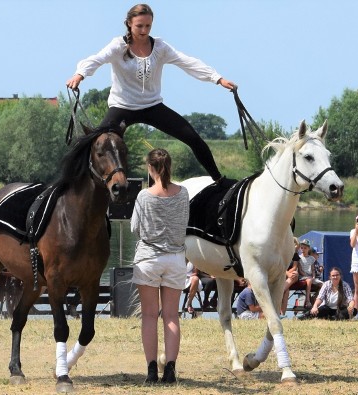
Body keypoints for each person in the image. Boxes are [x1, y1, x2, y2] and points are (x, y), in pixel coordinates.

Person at [66, 3, 237, 183]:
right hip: (122, 106)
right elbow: (96, 59)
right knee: (96, 144)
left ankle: (219, 181)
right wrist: (79, 75)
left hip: (153, 106)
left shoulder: (160, 47)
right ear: (129, 24)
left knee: (193, 137)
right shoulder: (118, 46)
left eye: (148, 26)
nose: (144, 30)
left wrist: (218, 78)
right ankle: (79, 186)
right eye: (139, 25)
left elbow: (187, 62)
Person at [130, 148, 189, 384]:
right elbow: (184, 222)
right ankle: (171, 371)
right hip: (175, 259)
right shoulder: (183, 193)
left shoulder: (144, 196)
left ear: (150, 168)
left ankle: (152, 371)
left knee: (149, 316)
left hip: (149, 258)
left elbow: (135, 228)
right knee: (172, 316)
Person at [280, 237, 300, 315]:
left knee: (295, 274)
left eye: (296, 245)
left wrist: (290, 274)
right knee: (287, 292)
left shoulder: (295, 255)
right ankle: (282, 313)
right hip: (282, 273)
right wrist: (287, 273)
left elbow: (295, 267)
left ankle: (282, 289)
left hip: (290, 276)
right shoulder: (282, 253)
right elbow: (280, 267)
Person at [297, 239, 319, 308]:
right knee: (309, 281)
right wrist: (308, 276)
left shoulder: (312, 258)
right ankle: (307, 300)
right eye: (302, 248)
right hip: (302, 277)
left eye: (305, 248)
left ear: (308, 248)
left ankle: (314, 300)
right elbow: (300, 270)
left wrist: (313, 276)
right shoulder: (299, 258)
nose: (303, 249)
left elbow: (313, 269)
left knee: (323, 285)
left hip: (310, 276)